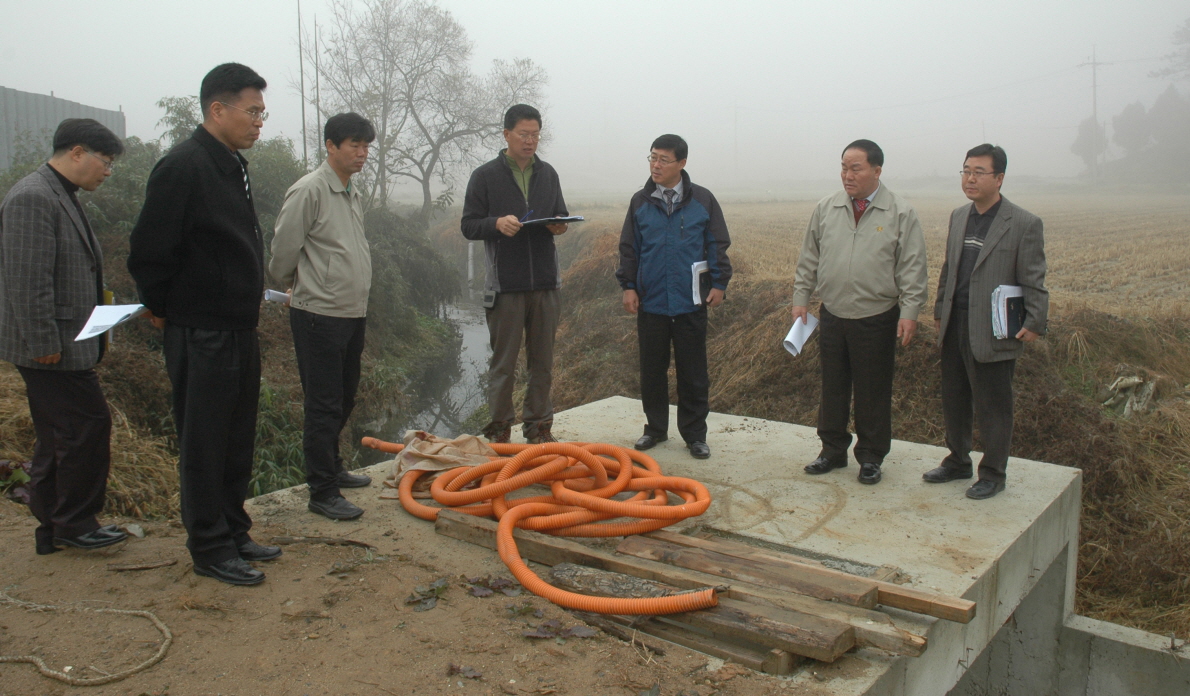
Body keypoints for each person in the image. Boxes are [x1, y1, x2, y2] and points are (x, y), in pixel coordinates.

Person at [128, 63, 279, 585]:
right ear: (218, 109)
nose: (260, 122)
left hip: (237, 325)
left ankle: (234, 529)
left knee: (236, 435)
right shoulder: (183, 166)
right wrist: (166, 307)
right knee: (205, 438)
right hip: (201, 330)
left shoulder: (230, 164)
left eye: (263, 112)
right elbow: (150, 251)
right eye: (252, 111)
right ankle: (210, 547)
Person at [0, 118, 128, 555]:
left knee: (58, 436)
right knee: (85, 428)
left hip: (68, 340)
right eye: (104, 161)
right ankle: (76, 524)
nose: (107, 171)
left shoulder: (62, 194)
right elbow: (26, 280)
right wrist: (43, 343)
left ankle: (54, 527)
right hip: (51, 348)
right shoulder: (33, 197)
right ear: (76, 152)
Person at [792, 139, 928, 485]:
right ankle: (832, 451)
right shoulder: (827, 208)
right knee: (833, 386)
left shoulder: (899, 212)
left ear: (877, 171)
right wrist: (801, 298)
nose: (847, 175)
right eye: (843, 167)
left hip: (877, 315)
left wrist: (909, 312)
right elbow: (809, 257)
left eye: (856, 168)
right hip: (834, 313)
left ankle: (870, 457)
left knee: (873, 390)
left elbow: (912, 267)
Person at [924, 144, 1048, 500]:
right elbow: (950, 269)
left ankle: (993, 472)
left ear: (999, 178)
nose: (970, 178)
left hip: (995, 327)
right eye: (966, 171)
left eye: (979, 172)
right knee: (954, 397)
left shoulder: (1023, 223)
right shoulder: (959, 216)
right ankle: (958, 460)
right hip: (955, 323)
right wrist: (938, 310)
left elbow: (1034, 278)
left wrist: (1036, 320)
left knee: (994, 404)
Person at [270, 113, 375, 521]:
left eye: (366, 146)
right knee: (323, 403)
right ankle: (322, 491)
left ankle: (332, 467)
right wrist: (290, 284)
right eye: (354, 145)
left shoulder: (350, 190)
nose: (362, 153)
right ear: (330, 146)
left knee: (345, 395)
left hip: (351, 311)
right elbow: (284, 249)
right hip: (318, 313)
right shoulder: (310, 190)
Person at [616, 135, 732, 459]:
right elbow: (629, 248)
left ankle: (695, 435)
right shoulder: (640, 201)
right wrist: (628, 286)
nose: (656, 164)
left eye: (663, 159)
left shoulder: (703, 201)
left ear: (681, 163)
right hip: (651, 301)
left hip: (690, 301)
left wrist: (720, 284)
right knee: (652, 370)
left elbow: (717, 244)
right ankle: (655, 429)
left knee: (693, 373)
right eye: (652, 157)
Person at [461, 104, 569, 444]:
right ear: (506, 134)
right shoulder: (485, 176)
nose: (530, 141)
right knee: (504, 364)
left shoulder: (548, 174)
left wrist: (558, 225)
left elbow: (560, 216)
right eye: (524, 134)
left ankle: (539, 428)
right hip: (505, 286)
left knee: (544, 363)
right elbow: (468, 225)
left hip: (545, 284)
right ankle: (499, 431)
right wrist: (495, 223)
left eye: (535, 135)